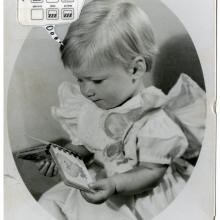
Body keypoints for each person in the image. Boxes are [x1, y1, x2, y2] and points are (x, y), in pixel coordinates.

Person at [37, 0, 206, 220]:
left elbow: (152, 172)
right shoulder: (93, 107)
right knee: (49, 203)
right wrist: (62, 157)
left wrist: (115, 185)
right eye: (80, 79)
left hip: (136, 190)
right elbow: (86, 146)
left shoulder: (153, 117)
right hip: (101, 179)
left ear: (135, 69)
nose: (86, 90)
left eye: (96, 80)